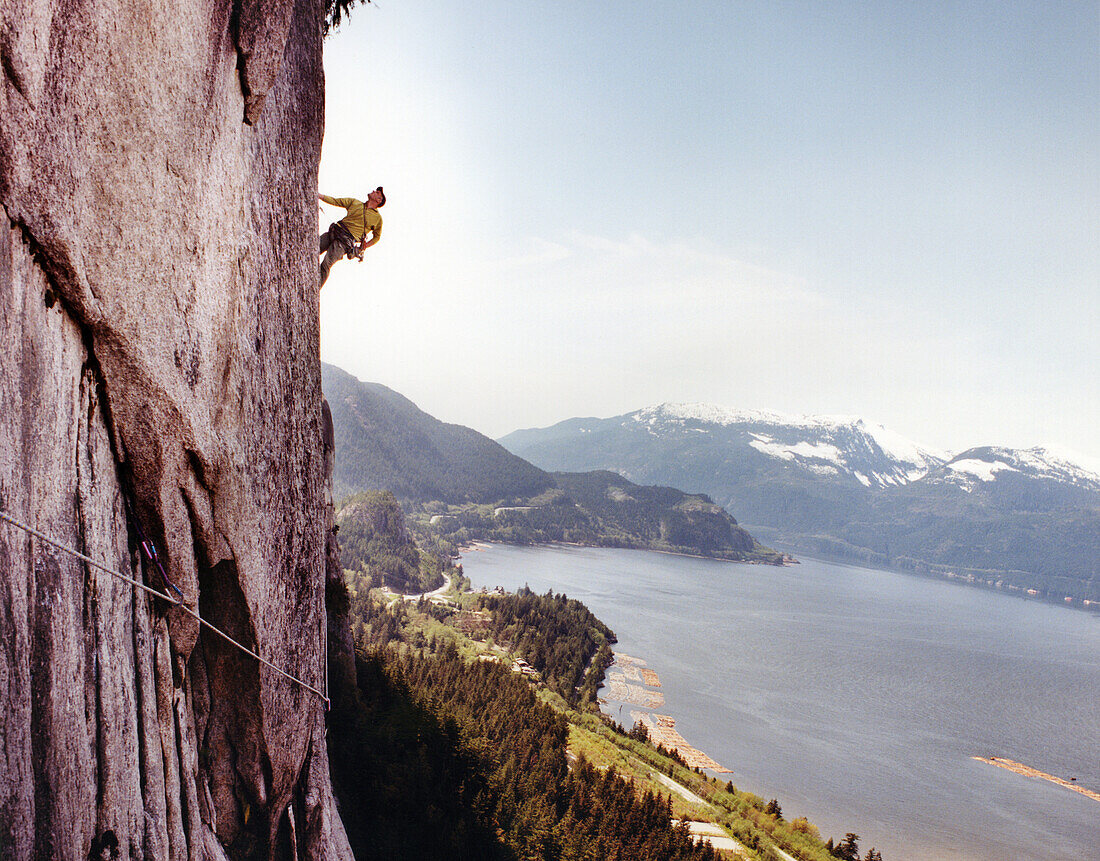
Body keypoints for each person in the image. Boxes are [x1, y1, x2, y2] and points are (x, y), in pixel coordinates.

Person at [318, 187, 385, 287]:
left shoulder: (377, 219)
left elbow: (377, 237)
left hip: (344, 243)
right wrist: (319, 196)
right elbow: (336, 201)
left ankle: (315, 289)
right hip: (335, 232)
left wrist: (364, 246)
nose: (374, 191)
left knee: (326, 264)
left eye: (377, 192)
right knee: (313, 248)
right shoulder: (355, 203)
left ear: (378, 200)